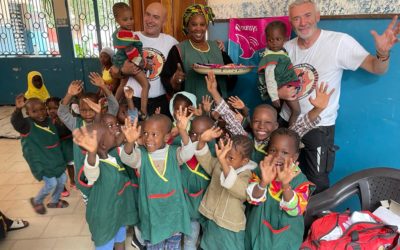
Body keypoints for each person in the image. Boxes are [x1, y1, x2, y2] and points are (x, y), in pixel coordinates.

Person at [278, 0, 399, 193]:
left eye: (308, 15)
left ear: (318, 16)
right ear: (291, 22)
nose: (302, 22)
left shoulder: (338, 42)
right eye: (296, 18)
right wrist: (278, 92)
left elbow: (376, 67)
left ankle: (313, 224)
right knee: (281, 181)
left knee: (315, 185)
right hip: (287, 123)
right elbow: (271, 82)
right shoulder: (285, 48)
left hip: (318, 127)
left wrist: (383, 53)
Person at [120, 111, 194, 248]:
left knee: (173, 245)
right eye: (145, 133)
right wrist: (130, 142)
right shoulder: (141, 156)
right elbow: (126, 158)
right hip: (153, 216)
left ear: (166, 137)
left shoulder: (174, 153)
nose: (148, 138)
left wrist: (183, 131)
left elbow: (188, 152)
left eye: (154, 134)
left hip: (174, 214)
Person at [72, 114, 138, 250]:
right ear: (102, 144)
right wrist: (91, 153)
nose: (114, 132)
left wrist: (129, 137)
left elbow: (119, 143)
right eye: (109, 132)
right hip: (104, 218)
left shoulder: (112, 154)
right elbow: (91, 171)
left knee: (120, 238)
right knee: (105, 244)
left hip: (118, 211)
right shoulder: (95, 165)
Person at [245, 128, 314, 249]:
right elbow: (252, 199)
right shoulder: (261, 171)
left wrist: (286, 185)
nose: (277, 156)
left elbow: (296, 209)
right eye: (273, 150)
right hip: (256, 232)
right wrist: (263, 182)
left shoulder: (300, 180)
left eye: (285, 153)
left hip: (284, 239)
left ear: (295, 156)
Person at [58, 75, 119, 200]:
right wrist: (69, 94)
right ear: (78, 110)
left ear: (99, 106)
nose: (87, 113)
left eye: (91, 109)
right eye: (83, 110)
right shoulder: (76, 124)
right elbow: (62, 112)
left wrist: (103, 86)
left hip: (104, 170)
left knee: (104, 196)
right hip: (84, 172)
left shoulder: (105, 121)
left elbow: (115, 106)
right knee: (89, 197)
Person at [195, 128, 256, 250]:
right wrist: (201, 141)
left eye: (231, 158)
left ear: (244, 161)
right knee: (207, 245)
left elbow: (242, 192)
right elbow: (206, 161)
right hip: (212, 219)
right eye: (224, 155)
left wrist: (223, 162)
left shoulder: (246, 174)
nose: (225, 159)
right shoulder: (220, 163)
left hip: (230, 225)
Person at [161, 4, 237, 99]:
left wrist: (230, 73)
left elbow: (232, 75)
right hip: (193, 109)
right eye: (194, 24)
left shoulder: (217, 47)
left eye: (202, 24)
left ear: (207, 26)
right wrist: (175, 80)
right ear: (187, 26)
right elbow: (168, 83)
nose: (198, 29)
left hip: (219, 107)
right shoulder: (178, 50)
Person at [116, 2, 178, 117]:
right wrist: (123, 71)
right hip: (131, 101)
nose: (150, 20)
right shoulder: (130, 36)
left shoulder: (171, 42)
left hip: (161, 102)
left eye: (156, 17)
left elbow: (187, 53)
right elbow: (113, 71)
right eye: (148, 15)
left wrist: (218, 45)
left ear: (163, 21)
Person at [11, 95, 68, 215]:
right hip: (40, 161)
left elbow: (61, 133)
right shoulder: (26, 125)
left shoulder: (50, 121)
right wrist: (17, 109)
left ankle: (54, 201)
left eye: (42, 109)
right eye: (34, 111)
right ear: (27, 112)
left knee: (62, 179)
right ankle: (37, 201)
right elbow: (16, 122)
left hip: (54, 159)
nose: (40, 113)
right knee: (51, 183)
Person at [258, 20, 300, 126]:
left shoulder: (281, 52)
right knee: (296, 111)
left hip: (285, 85)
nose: (274, 42)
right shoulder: (270, 57)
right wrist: (274, 97)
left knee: (278, 113)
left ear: (285, 39)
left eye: (278, 39)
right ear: (267, 40)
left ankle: (281, 135)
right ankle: (292, 136)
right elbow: (269, 79)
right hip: (284, 87)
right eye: (270, 40)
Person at [181, 116, 214, 250]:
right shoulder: (182, 153)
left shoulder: (216, 154)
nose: (198, 139)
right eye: (193, 134)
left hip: (209, 212)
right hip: (189, 212)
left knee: (208, 241)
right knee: (190, 240)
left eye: (203, 135)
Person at [112, 2, 149, 118]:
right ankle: (143, 112)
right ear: (117, 20)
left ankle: (112, 107)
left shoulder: (122, 33)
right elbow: (131, 52)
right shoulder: (124, 35)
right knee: (146, 85)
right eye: (125, 19)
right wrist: (142, 64)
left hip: (122, 61)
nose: (129, 22)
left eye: (131, 18)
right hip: (130, 63)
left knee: (122, 85)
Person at [46, 97, 76, 197]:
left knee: (70, 164)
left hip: (67, 144)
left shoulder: (66, 118)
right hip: (55, 147)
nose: (52, 111)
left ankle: (73, 181)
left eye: (55, 108)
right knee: (59, 168)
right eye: (49, 109)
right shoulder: (47, 121)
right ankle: (62, 187)